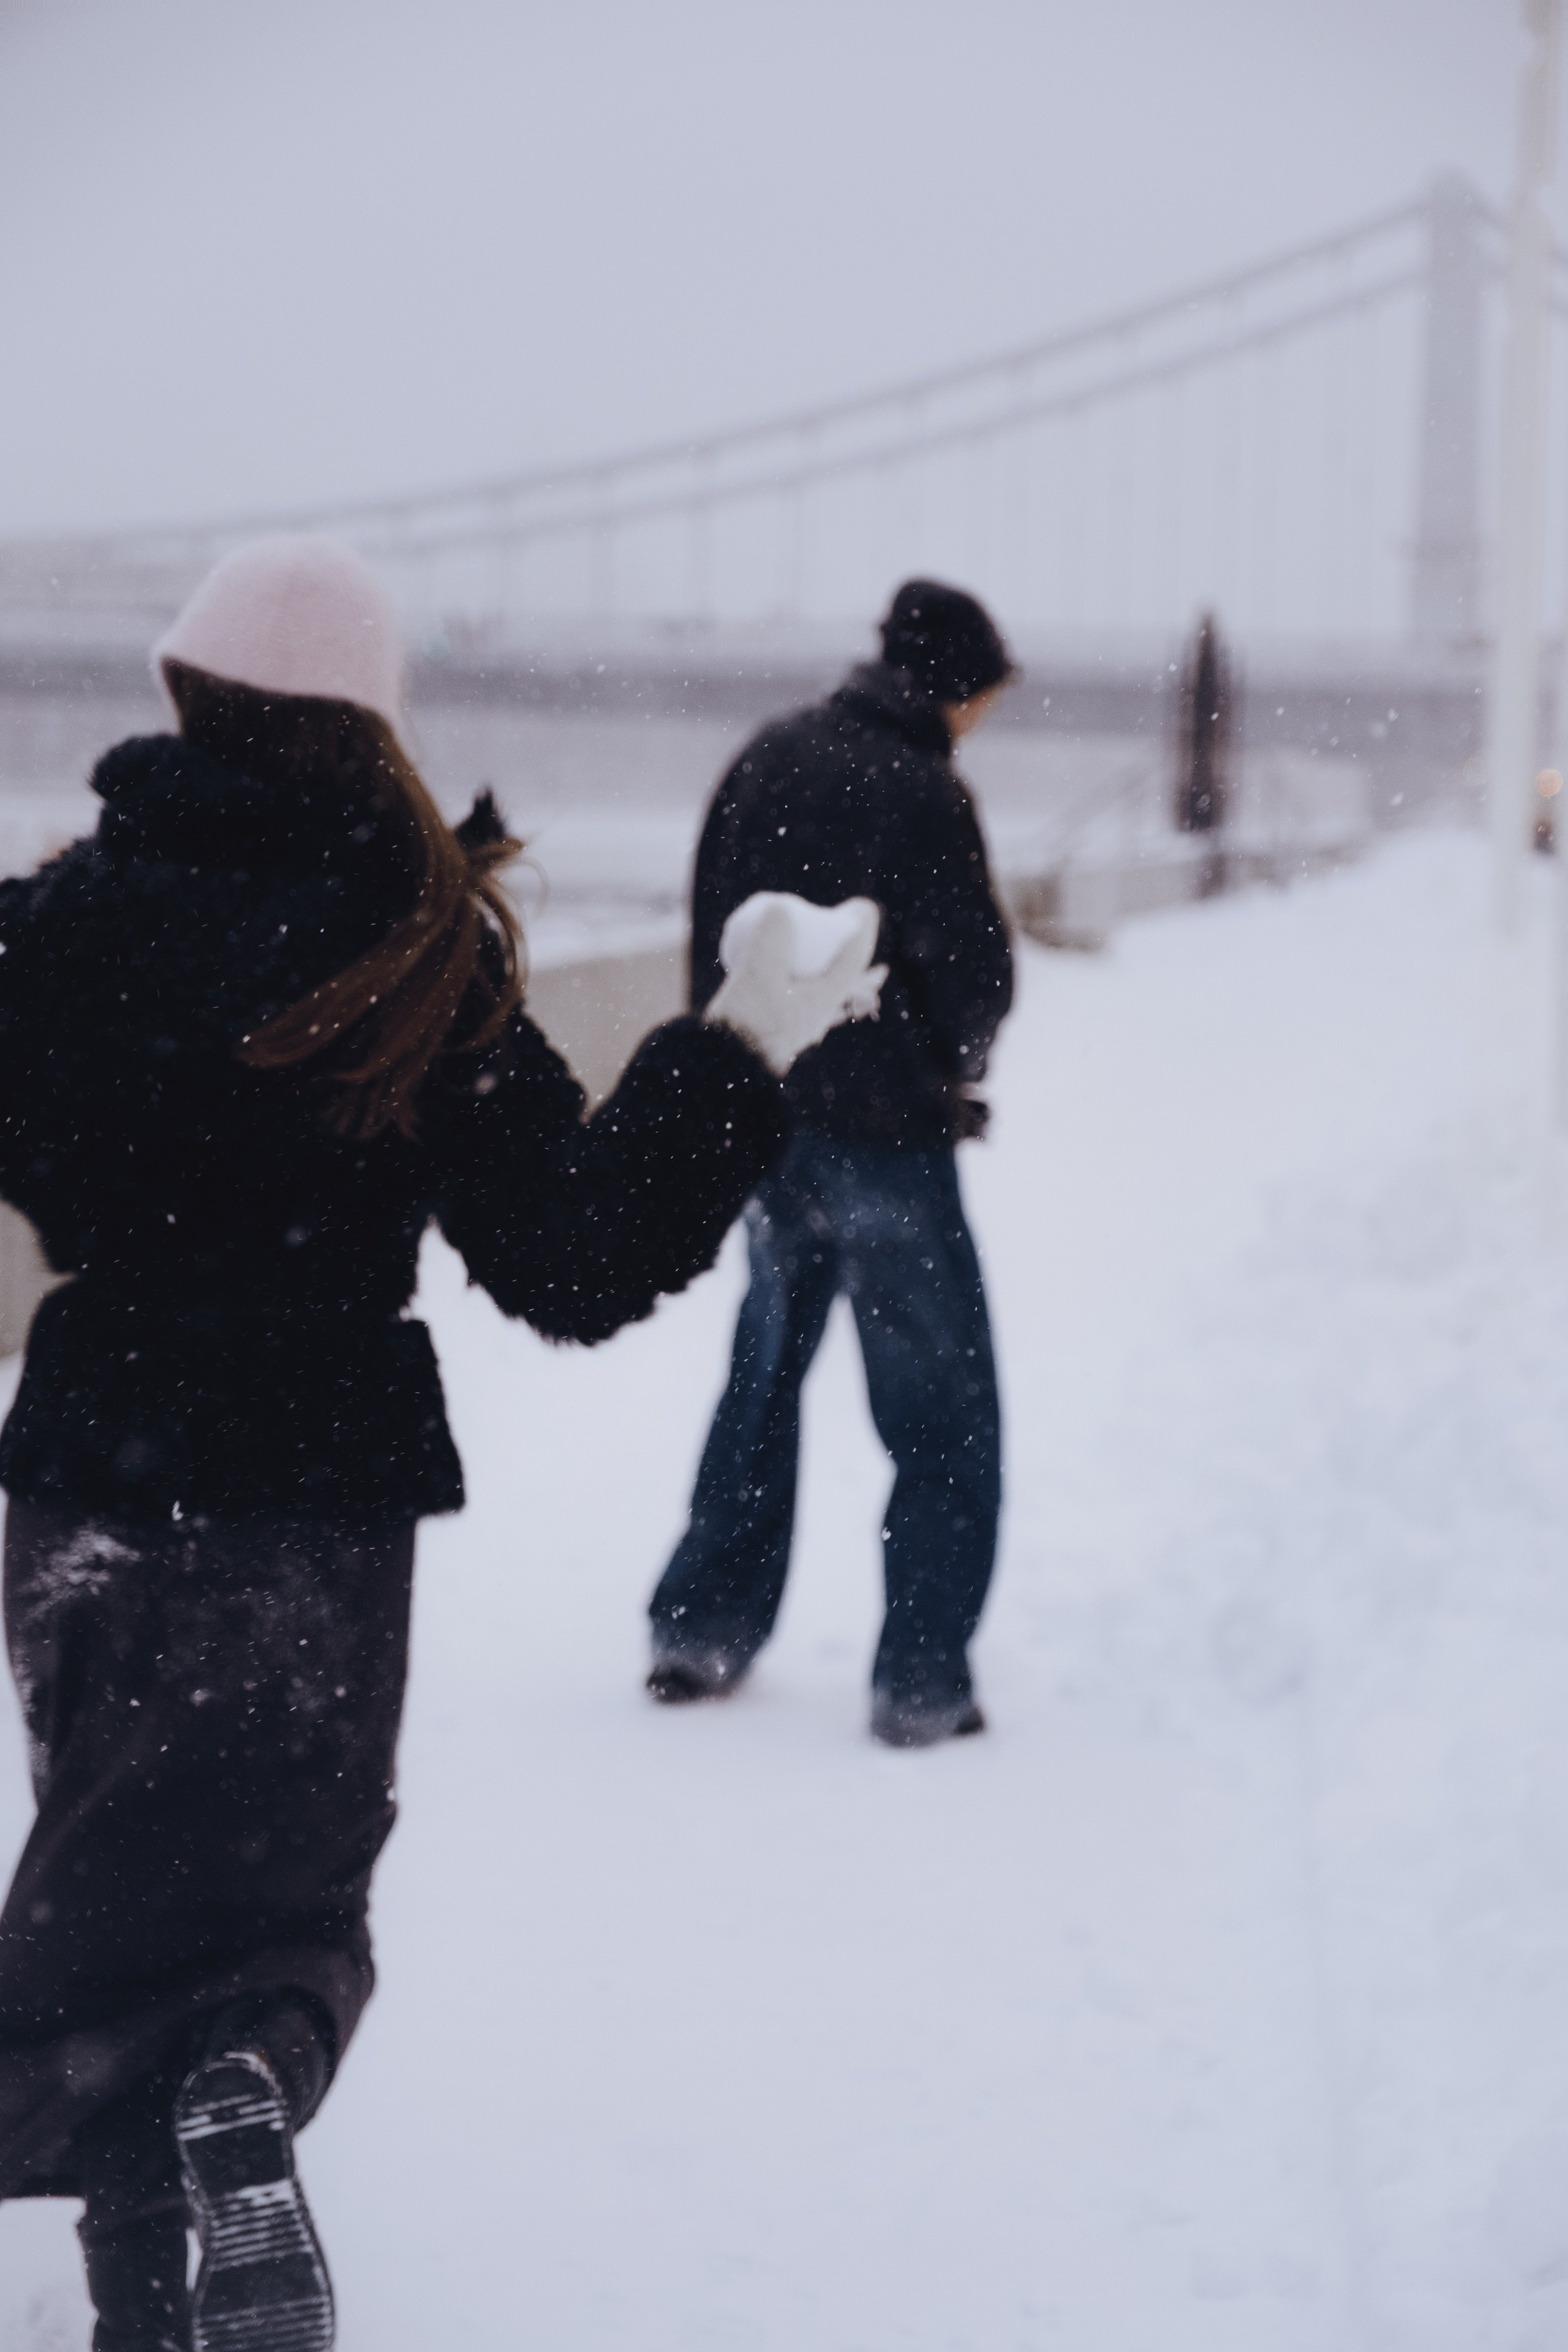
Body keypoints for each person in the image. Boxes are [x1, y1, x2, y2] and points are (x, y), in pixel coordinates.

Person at [0, 535, 876, 2352]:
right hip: (313, 1498)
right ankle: (246, 2079)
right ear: (367, 728)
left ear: (183, 696)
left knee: (111, 1886)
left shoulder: (57, 923)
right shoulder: (418, 947)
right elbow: (579, 1259)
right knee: (280, 1909)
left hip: (89, 1474)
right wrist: (740, 1044)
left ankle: (147, 2303)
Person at [647, 578, 1016, 1749]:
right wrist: (942, 1061)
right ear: (956, 687)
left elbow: (713, 930)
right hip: (887, 1137)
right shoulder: (923, 789)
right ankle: (920, 1681)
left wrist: (732, 1076)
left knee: (761, 1377)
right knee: (941, 1411)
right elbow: (975, 976)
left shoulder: (770, 754)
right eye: (985, 703)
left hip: (769, 1126)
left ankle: (701, 1630)